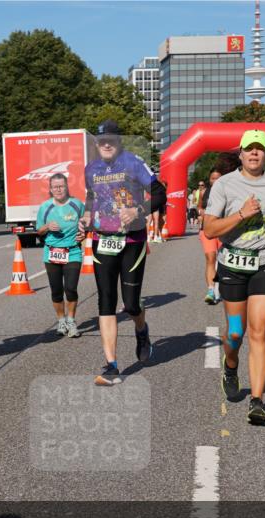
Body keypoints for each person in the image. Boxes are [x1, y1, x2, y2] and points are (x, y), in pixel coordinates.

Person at [203, 129, 265, 425]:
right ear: (241, 154)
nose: (254, 153)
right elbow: (209, 229)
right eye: (249, 148)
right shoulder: (225, 185)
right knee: (235, 332)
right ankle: (231, 366)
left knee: (259, 331)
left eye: (260, 148)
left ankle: (257, 401)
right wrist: (242, 214)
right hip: (232, 265)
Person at [79, 119, 165, 386]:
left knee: (130, 305)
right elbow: (91, 198)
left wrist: (137, 210)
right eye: (102, 141)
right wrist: (85, 218)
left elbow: (160, 194)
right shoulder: (91, 169)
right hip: (102, 240)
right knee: (105, 300)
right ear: (97, 144)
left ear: (118, 142)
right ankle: (112, 366)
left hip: (132, 240)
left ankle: (141, 329)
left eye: (111, 140)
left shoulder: (133, 163)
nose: (106, 144)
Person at [36, 173, 85, 338]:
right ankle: (61, 320)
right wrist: (47, 226)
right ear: (50, 189)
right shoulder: (45, 207)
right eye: (55, 187)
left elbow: (86, 224)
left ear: (66, 187)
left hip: (73, 251)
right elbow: (39, 230)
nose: (58, 190)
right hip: (52, 253)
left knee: (70, 288)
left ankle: (71, 320)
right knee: (56, 291)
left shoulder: (77, 204)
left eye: (61, 186)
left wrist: (83, 234)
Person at [198, 155, 239, 304]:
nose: (215, 181)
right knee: (210, 258)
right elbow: (200, 207)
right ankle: (210, 290)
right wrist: (201, 213)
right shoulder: (205, 192)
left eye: (217, 178)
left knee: (224, 260)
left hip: (224, 228)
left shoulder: (228, 189)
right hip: (207, 230)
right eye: (212, 178)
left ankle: (222, 287)